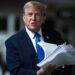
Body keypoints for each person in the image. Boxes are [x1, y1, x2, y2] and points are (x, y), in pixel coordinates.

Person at [5, 1, 75, 75]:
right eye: (30, 14)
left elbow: (66, 61)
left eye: (37, 14)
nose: (33, 18)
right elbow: (15, 71)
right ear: (24, 17)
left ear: (43, 18)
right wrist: (37, 73)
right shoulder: (13, 42)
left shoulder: (55, 36)